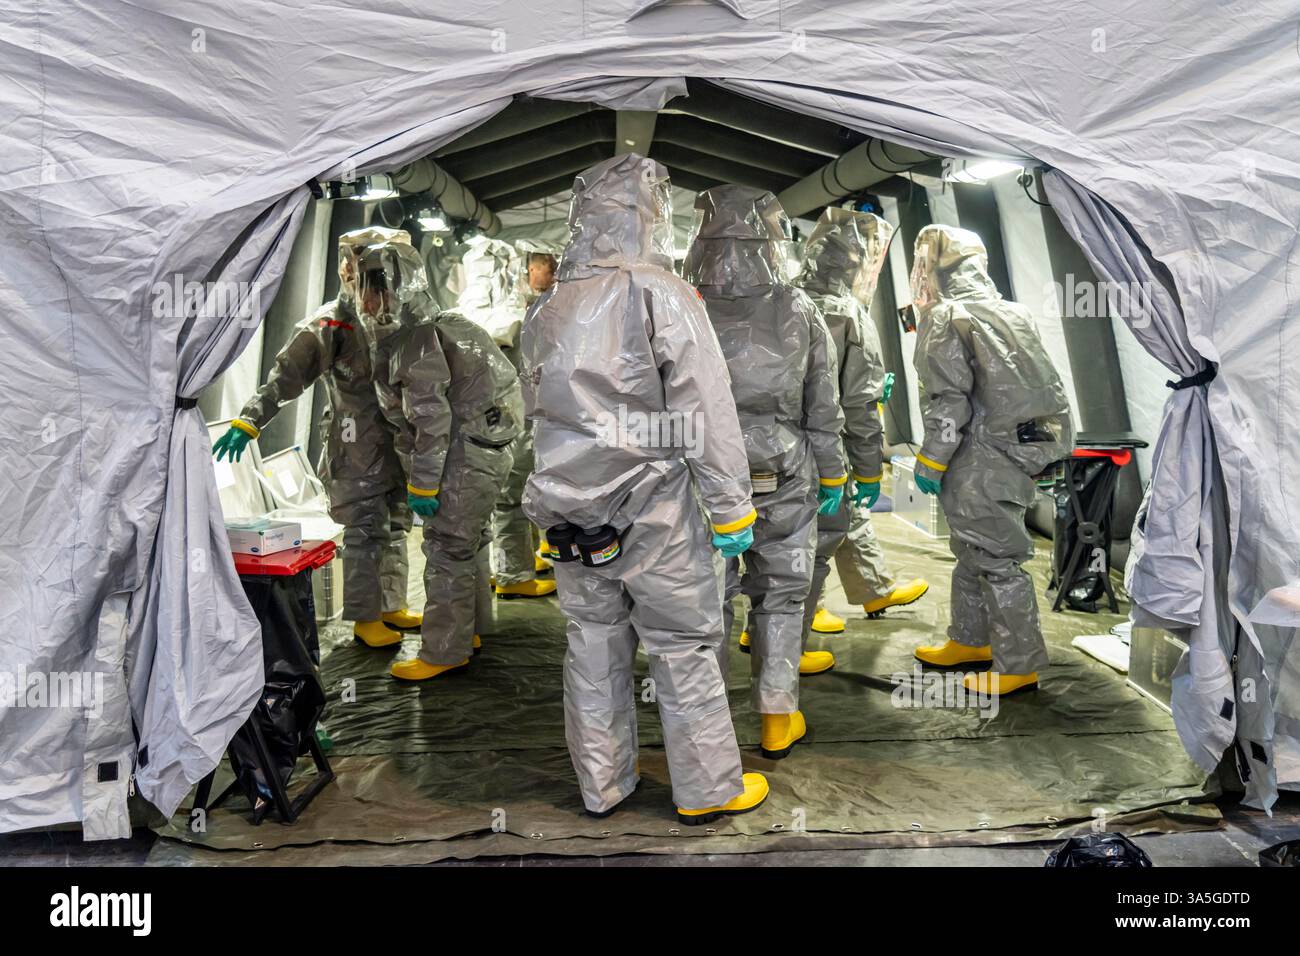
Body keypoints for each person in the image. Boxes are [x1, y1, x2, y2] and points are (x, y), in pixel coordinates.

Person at [522, 154, 768, 824]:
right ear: (645, 213)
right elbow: (705, 407)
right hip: (653, 508)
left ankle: (602, 787)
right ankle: (707, 790)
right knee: (682, 647)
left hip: (570, 513)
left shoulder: (547, 305)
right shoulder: (659, 291)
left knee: (593, 646)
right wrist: (730, 507)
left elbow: (536, 412)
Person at [683, 185, 845, 760]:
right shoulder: (800, 310)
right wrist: (835, 476)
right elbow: (823, 406)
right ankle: (778, 717)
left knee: (710, 600)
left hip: (703, 475)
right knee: (781, 595)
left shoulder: (680, 305)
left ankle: (709, 723)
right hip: (786, 467)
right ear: (776, 236)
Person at [212, 227, 421, 650]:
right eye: (371, 283)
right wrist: (250, 420)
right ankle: (365, 617)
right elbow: (287, 377)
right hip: (355, 450)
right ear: (349, 275)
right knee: (366, 533)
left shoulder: (401, 323)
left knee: (396, 526)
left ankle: (390, 602)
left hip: (398, 449)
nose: (376, 298)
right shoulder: (331, 325)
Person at [908, 224, 1074, 696]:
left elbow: (949, 400)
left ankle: (1017, 664)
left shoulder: (946, 316)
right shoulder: (1014, 312)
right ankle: (972, 638)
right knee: (973, 548)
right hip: (1015, 451)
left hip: (975, 454)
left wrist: (931, 461)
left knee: (996, 560)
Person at [353, 235, 525, 682]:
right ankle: (468, 632)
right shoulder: (450, 324)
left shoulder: (414, 341)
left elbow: (429, 420)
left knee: (447, 550)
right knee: (469, 545)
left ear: (386, 289)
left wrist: (424, 484)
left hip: (461, 459)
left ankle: (444, 651)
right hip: (487, 453)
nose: (363, 299)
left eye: (367, 287)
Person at [794, 207, 929, 641]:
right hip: (825, 440)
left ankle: (873, 589)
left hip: (778, 439)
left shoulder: (785, 300)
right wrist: (872, 467)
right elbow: (859, 404)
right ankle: (793, 615)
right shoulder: (846, 313)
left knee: (834, 513)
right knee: (812, 525)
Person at [456, 239, 556, 599]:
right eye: (545, 263)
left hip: (513, 419)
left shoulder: (500, 312)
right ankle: (514, 574)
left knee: (518, 493)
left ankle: (518, 563)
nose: (551, 271)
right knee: (510, 497)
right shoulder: (499, 317)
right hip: (505, 422)